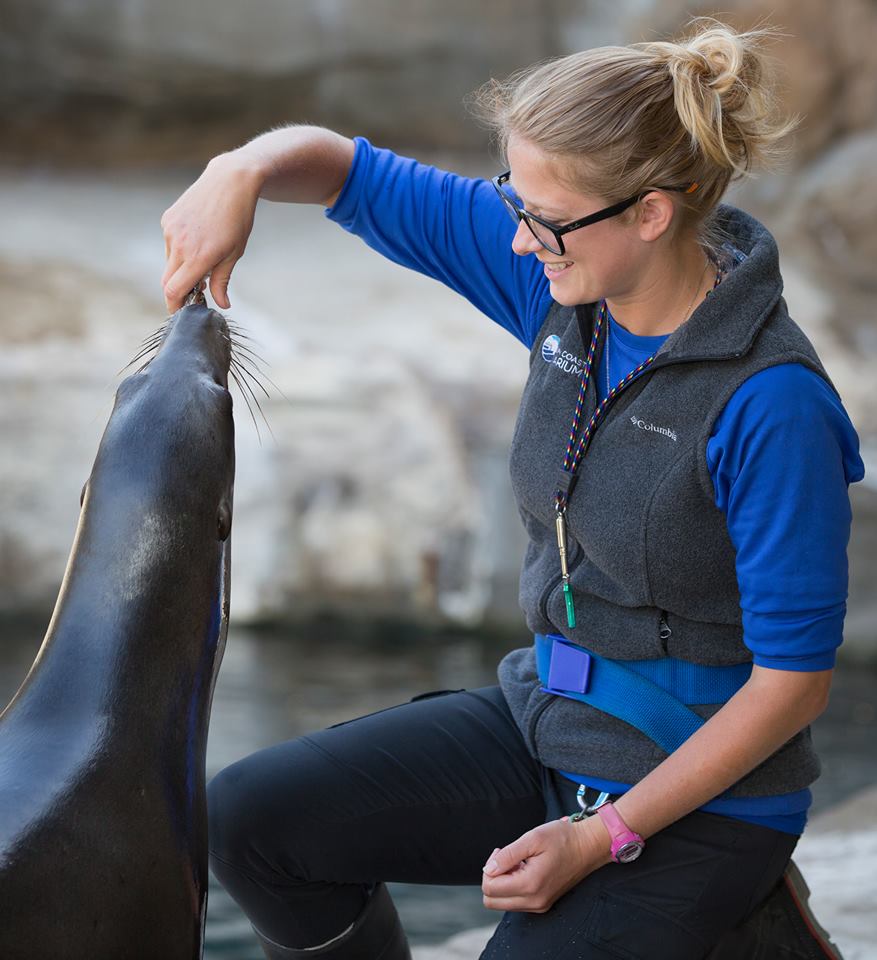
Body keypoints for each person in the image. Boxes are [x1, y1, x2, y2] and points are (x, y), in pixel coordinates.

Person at [161, 19, 864, 960]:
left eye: (543, 217)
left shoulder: (773, 406)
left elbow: (792, 686)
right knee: (252, 819)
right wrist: (236, 171)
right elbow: (341, 169)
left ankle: (742, 915)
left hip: (700, 796)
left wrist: (596, 842)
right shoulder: (569, 275)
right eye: (514, 201)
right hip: (546, 722)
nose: (520, 240)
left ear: (651, 212)